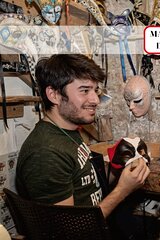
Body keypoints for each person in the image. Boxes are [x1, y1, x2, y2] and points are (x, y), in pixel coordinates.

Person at [16, 54, 150, 220]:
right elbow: (69, 231)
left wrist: (118, 165)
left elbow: (87, 182)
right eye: (85, 90)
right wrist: (122, 190)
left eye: (95, 90)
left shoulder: (68, 131)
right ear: (54, 95)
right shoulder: (45, 153)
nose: (95, 100)